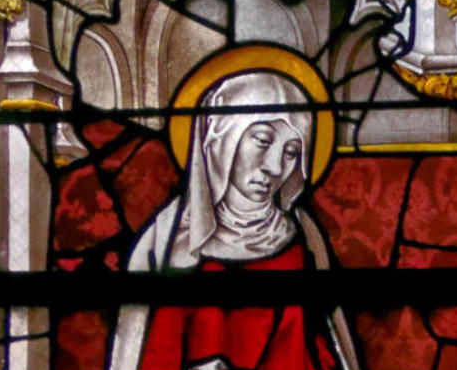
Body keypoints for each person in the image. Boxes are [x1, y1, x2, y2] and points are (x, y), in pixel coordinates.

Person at [130, 72, 334, 270]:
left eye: (291, 152)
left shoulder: (305, 232)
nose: (275, 167)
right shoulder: (167, 232)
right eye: (262, 140)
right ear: (224, 140)